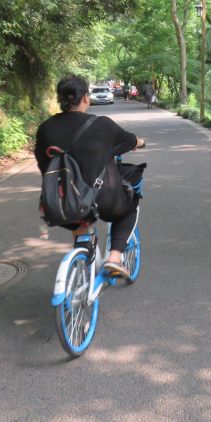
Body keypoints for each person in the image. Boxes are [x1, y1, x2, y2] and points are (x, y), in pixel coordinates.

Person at [35, 75, 145, 276]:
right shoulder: (102, 125)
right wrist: (141, 142)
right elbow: (130, 140)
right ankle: (114, 258)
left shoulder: (45, 129)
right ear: (86, 97)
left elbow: (44, 166)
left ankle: (83, 253)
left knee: (79, 218)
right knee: (129, 209)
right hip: (102, 199)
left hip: (60, 202)